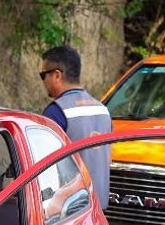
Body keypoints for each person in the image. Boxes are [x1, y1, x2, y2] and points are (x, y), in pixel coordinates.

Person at [39, 44, 112, 208]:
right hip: (99, 209)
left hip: (70, 211)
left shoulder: (57, 112)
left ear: (57, 75)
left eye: (43, 75)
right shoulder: (103, 110)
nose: (43, 81)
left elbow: (43, 168)